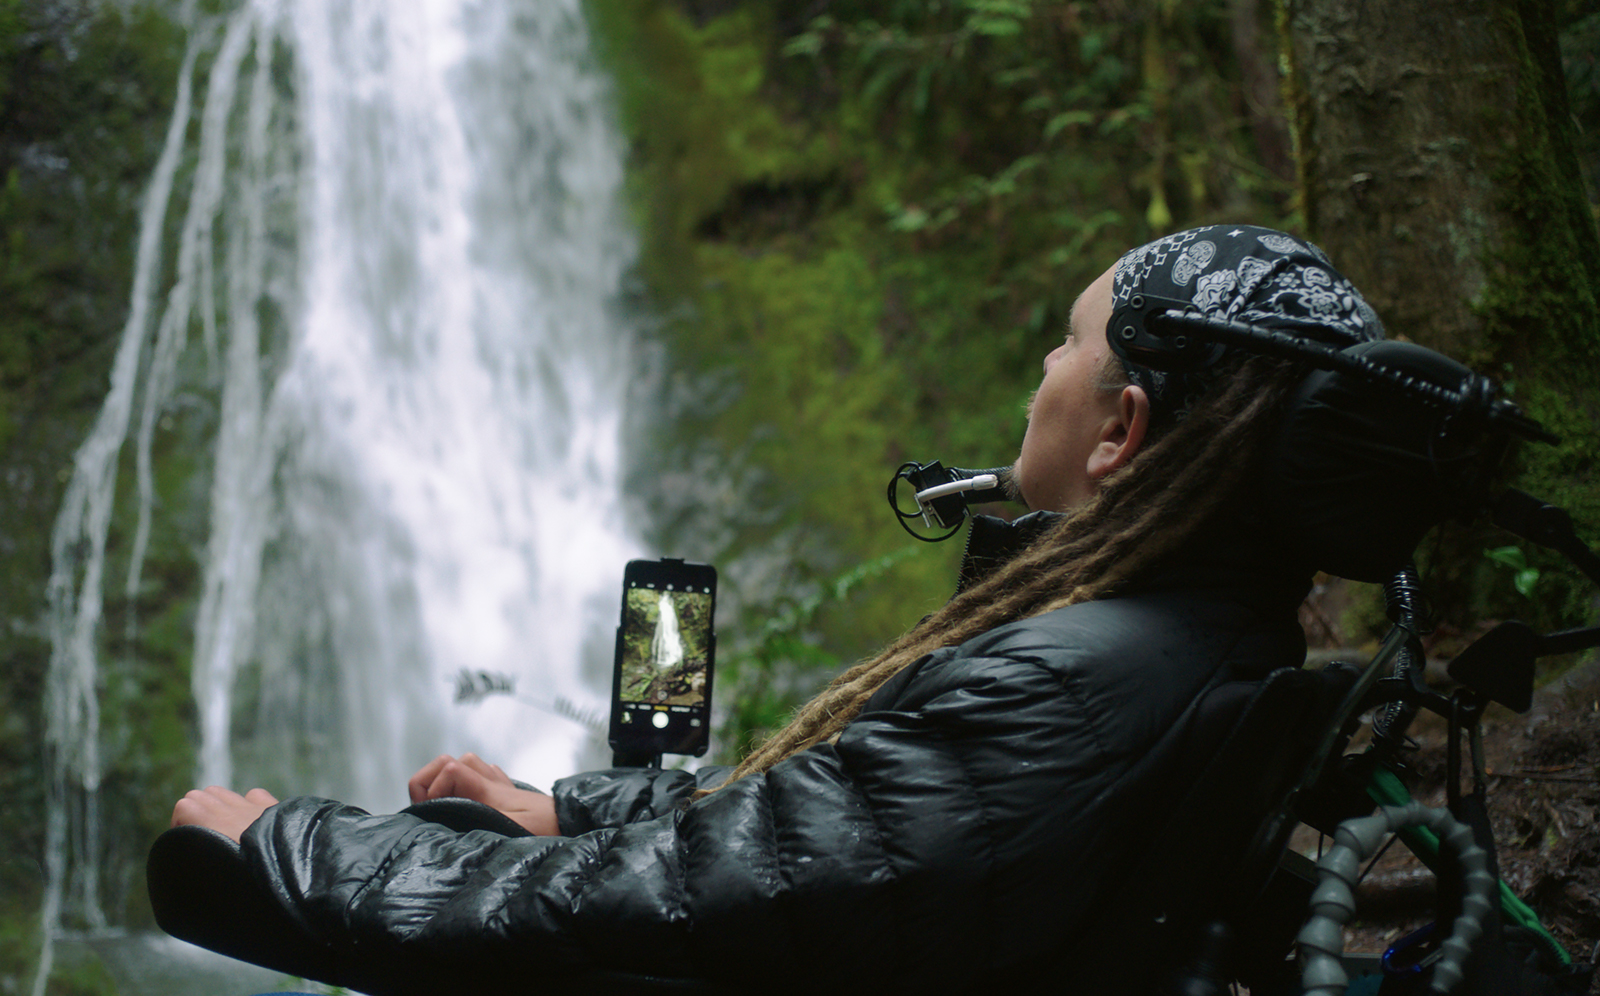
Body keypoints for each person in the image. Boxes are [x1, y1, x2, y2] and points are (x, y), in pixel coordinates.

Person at [169, 225, 1384, 994]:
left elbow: (697, 898)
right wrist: (564, 805)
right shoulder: (1197, 641)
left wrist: (294, 853)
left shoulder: (1069, 684)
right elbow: (828, 845)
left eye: (1067, 344)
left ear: (1120, 431)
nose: (1041, 372)